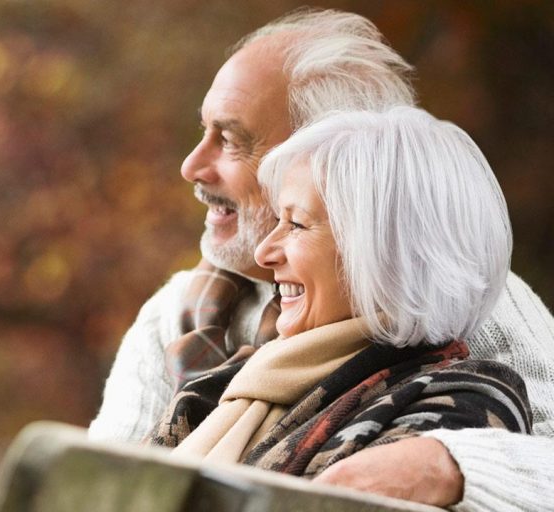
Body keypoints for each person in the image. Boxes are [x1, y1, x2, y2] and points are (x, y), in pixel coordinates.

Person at [88, 9, 554, 511]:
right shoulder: (177, 313)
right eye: (202, 132)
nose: (191, 166)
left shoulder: (457, 294)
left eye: (230, 140)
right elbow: (93, 487)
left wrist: (450, 466)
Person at [148, 106, 532, 481]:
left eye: (297, 224)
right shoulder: (232, 380)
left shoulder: (462, 403)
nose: (264, 252)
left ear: (388, 253)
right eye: (279, 219)